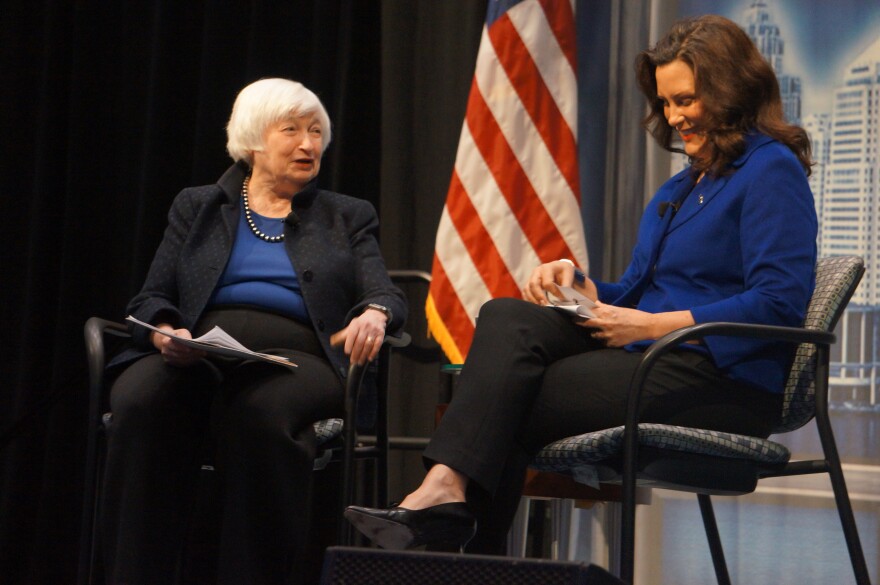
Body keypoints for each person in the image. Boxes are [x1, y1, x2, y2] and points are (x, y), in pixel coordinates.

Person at [345, 14, 818, 554]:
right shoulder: (686, 186)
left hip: (723, 380)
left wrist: (651, 325)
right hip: (658, 358)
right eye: (666, 103)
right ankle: (450, 507)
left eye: (685, 100)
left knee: (513, 390)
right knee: (506, 315)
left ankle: (451, 526)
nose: (674, 116)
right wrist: (584, 287)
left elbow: (778, 303)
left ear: (730, 90)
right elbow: (641, 289)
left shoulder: (770, 169)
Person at [101, 78, 407, 585]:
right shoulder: (198, 206)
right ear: (252, 139)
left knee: (260, 414)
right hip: (201, 355)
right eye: (291, 130)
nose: (309, 144)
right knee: (138, 398)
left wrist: (374, 313)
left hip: (300, 360)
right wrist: (162, 333)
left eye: (315, 132)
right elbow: (151, 296)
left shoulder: (346, 215)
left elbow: (387, 295)